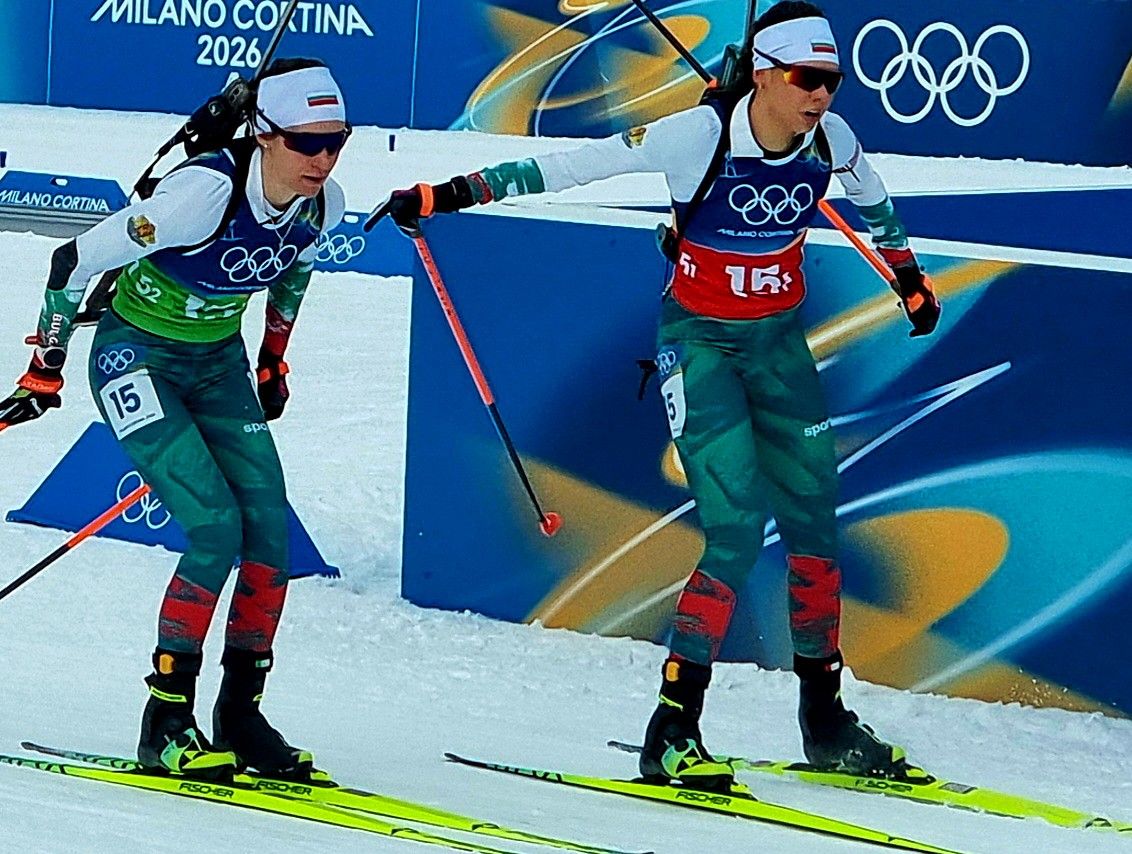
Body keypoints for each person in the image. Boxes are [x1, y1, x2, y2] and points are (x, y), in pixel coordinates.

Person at [369, 1, 940, 790]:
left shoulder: (831, 140)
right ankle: (672, 730)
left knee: (816, 530)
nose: (820, 95)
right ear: (764, 74)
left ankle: (826, 721)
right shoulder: (695, 136)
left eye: (831, 81)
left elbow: (875, 202)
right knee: (735, 531)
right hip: (702, 346)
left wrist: (908, 278)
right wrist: (448, 193)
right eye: (806, 78)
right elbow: (572, 167)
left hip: (779, 348)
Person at [0, 58, 350, 781]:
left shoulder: (323, 205)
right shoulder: (200, 195)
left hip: (217, 364)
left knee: (269, 535)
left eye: (335, 141)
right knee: (216, 528)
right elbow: (70, 261)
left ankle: (241, 716)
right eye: (305, 143)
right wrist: (45, 367)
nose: (322, 159)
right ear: (263, 132)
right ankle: (164, 720)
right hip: (136, 359)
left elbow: (293, 270)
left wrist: (272, 360)